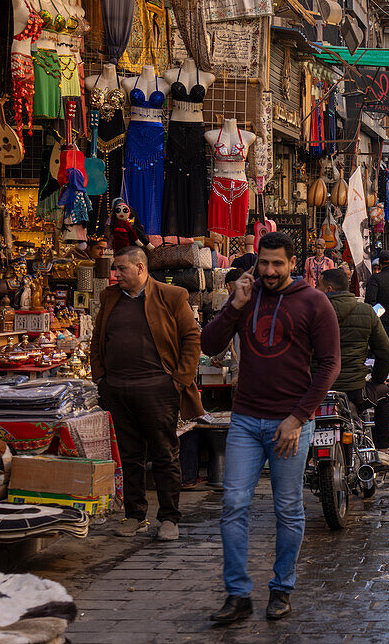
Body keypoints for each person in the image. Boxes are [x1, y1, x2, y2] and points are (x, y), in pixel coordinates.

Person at [200, 232, 340, 624]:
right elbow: (209, 345)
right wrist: (234, 305)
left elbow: (330, 365)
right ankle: (237, 594)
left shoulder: (314, 302)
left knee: (288, 508)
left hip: (289, 423)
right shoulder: (246, 296)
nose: (269, 271)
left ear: (293, 263)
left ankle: (281, 588)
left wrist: (298, 418)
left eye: (277, 263)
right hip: (244, 419)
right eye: (263, 262)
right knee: (233, 504)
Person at [89, 246, 202, 541]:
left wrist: (178, 381)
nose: (115, 275)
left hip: (158, 389)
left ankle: (168, 517)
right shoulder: (110, 297)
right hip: (117, 389)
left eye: (121, 269)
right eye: (115, 269)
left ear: (140, 268)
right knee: (130, 456)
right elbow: (97, 339)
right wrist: (101, 377)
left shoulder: (172, 296)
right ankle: (135, 515)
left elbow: (192, 338)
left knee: (165, 454)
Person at [318, 268, 389, 472]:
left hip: (318, 390)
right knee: (383, 394)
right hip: (355, 390)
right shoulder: (365, 312)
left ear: (328, 289)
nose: (316, 289)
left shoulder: (312, 312)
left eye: (319, 286)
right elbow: (385, 351)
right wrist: (378, 379)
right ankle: (382, 449)